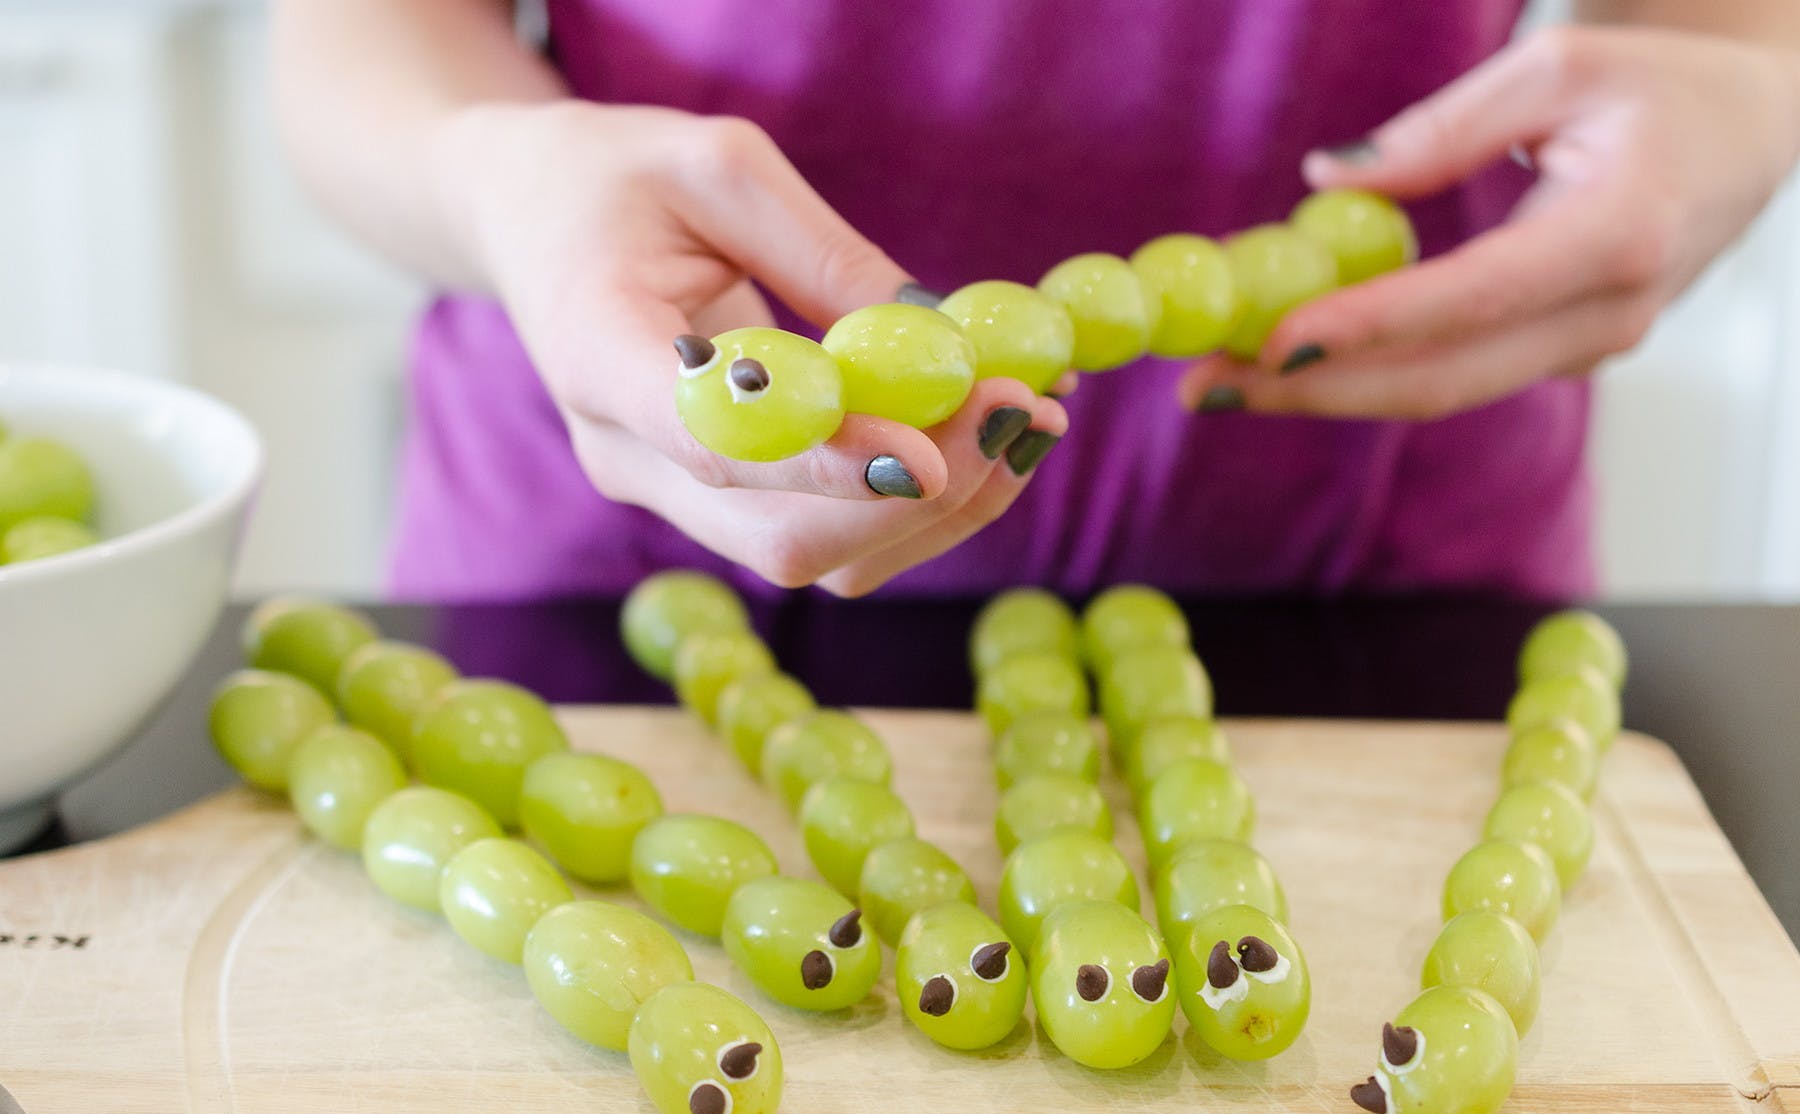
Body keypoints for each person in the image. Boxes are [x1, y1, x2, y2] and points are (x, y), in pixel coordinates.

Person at [272, 1, 1800, 602]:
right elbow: (359, 43)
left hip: (1373, 580)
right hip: (624, 550)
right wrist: (495, 175)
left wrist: (1743, 79)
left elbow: (1716, 23)